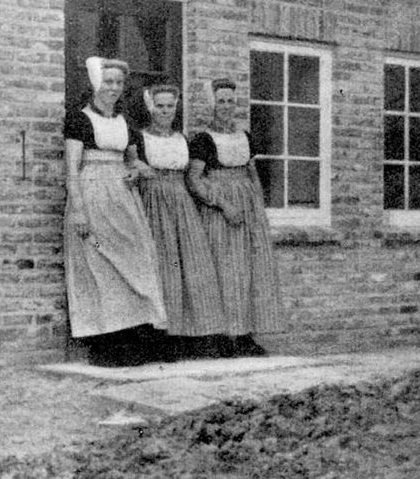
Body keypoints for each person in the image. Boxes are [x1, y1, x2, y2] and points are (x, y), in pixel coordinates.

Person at [63, 56, 168, 366]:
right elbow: (71, 170)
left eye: (119, 83)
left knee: (135, 261)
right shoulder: (79, 119)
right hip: (92, 195)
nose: (113, 88)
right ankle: (106, 343)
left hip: (123, 199)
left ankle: (134, 336)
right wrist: (78, 211)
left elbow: (136, 162)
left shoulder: (126, 122)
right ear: (96, 82)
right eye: (108, 81)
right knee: (98, 266)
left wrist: (137, 170)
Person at [186, 78, 283, 356]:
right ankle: (222, 337)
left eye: (230, 101)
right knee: (224, 269)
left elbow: (252, 173)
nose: (226, 107)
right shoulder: (203, 140)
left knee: (249, 271)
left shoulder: (245, 137)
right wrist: (223, 204)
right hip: (220, 211)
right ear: (212, 105)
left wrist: (258, 209)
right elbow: (194, 179)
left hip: (247, 211)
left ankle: (244, 335)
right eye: (221, 101)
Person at [133, 84, 227, 358]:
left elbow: (192, 176)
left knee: (191, 266)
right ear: (151, 107)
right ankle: (157, 339)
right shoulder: (139, 138)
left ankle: (188, 337)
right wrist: (140, 168)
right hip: (153, 201)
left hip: (182, 204)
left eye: (170, 106)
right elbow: (129, 166)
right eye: (160, 106)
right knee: (161, 267)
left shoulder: (183, 139)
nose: (165, 112)